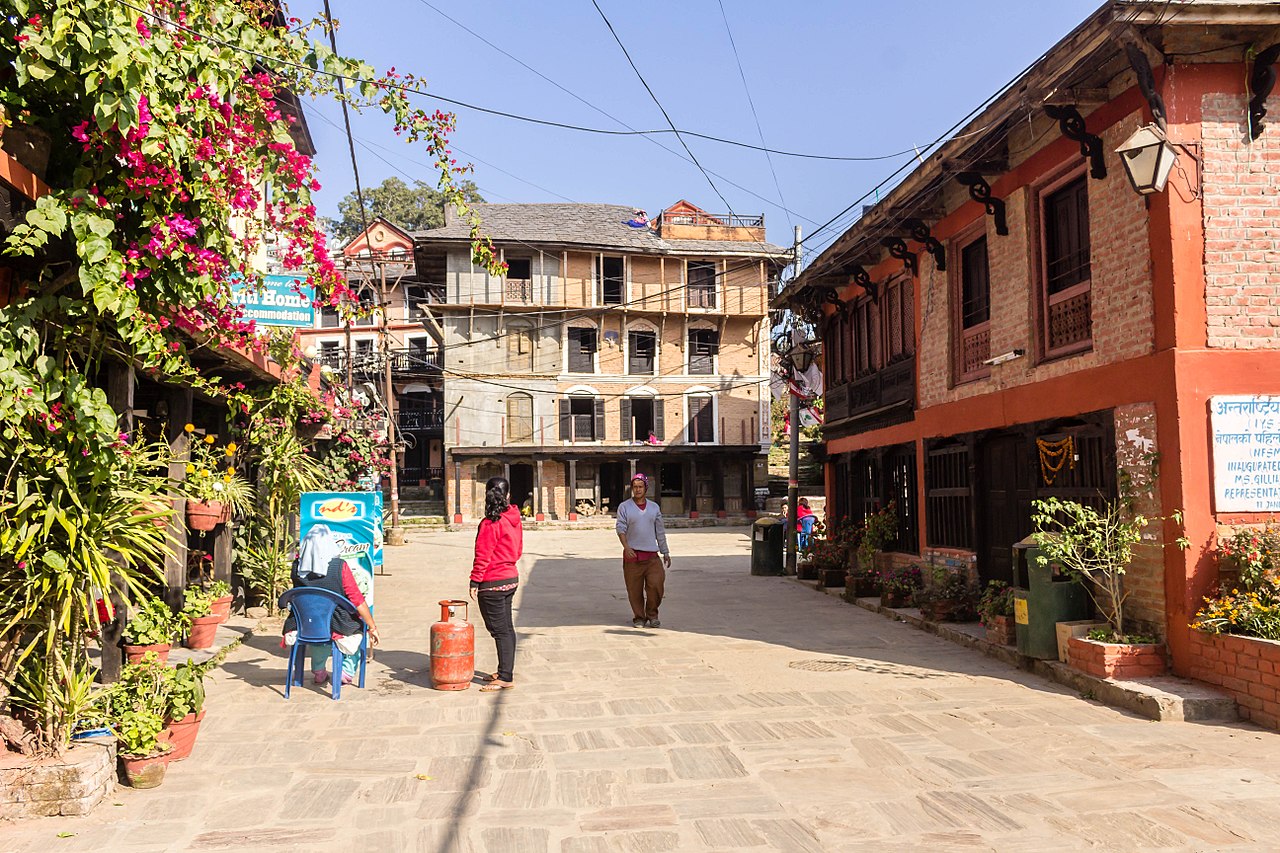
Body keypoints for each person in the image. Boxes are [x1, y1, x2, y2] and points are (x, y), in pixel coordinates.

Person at [283, 524, 380, 686]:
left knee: (318, 628)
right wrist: (372, 626)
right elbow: (357, 599)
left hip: (305, 623)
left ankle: (319, 671)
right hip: (337, 622)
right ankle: (346, 672)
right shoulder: (339, 567)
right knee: (357, 628)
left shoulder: (296, 567)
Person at [470, 476, 522, 692]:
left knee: (500, 630)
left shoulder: (490, 523)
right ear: (508, 496)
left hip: (493, 582)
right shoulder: (514, 518)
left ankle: (505, 676)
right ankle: (504, 671)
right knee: (506, 629)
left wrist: (475, 580)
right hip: (510, 579)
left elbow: (483, 555)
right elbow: (517, 550)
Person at [615, 473, 671, 628]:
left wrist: (665, 552)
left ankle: (652, 614)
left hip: (652, 556)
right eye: (635, 487)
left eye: (640, 486)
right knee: (634, 590)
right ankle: (639, 617)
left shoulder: (654, 508)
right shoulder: (624, 507)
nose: (637, 490)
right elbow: (620, 528)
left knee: (656, 585)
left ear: (646, 488)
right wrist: (626, 547)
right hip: (632, 556)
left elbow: (660, 531)